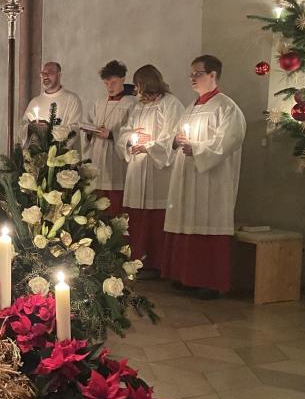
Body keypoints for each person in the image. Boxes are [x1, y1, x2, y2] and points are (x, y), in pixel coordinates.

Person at [163, 55, 247, 299]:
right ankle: (185, 276)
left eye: (197, 73)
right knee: (186, 221)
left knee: (205, 223)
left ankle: (208, 280)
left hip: (211, 179)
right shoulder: (191, 108)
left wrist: (198, 149)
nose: (192, 78)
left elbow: (229, 141)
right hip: (187, 176)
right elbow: (176, 135)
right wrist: (175, 141)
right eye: (191, 74)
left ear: (212, 75)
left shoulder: (227, 107)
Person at [119, 65, 184, 276]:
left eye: (138, 85)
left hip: (159, 171)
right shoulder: (138, 107)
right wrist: (130, 139)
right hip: (137, 169)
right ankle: (137, 261)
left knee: (157, 218)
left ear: (147, 83)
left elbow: (173, 136)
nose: (136, 90)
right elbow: (125, 132)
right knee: (137, 217)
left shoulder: (171, 104)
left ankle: (157, 264)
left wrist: (149, 145)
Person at [80, 60, 137, 215]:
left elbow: (134, 133)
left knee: (115, 210)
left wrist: (111, 135)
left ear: (123, 79)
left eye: (113, 82)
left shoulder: (132, 103)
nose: (109, 87)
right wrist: (89, 133)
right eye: (106, 83)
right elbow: (91, 124)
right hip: (98, 160)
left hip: (117, 164)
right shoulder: (99, 103)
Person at [22, 62, 83, 146]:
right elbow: (23, 126)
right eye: (43, 73)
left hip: (62, 156)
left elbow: (75, 129)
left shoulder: (72, 99)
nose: (46, 76)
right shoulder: (35, 102)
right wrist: (31, 128)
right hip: (37, 156)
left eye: (50, 72)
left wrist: (49, 132)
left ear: (59, 75)